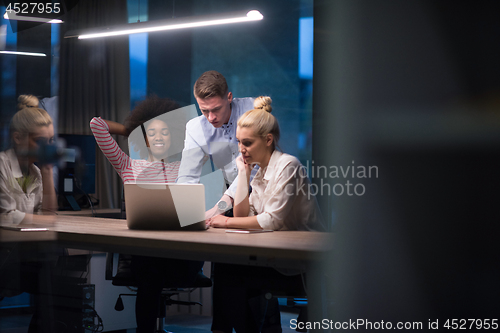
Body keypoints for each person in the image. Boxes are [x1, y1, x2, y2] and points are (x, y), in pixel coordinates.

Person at [206, 97, 324, 333]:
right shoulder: (259, 170)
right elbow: (243, 214)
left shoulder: (288, 165)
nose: (241, 149)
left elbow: (271, 220)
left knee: (230, 272)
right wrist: (243, 174)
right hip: (273, 255)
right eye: (239, 142)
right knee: (226, 267)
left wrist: (225, 221)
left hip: (299, 265)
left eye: (247, 143)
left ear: (268, 140)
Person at [90, 96, 203, 333]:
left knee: (156, 272)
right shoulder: (128, 165)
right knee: (150, 271)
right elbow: (96, 125)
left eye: (165, 132)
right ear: (143, 138)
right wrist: (134, 128)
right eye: (152, 132)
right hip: (148, 251)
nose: (159, 137)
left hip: (181, 251)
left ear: (174, 135)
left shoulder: (186, 166)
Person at [0, 106, 58, 332]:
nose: (48, 148)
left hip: (18, 255)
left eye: (51, 141)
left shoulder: (34, 172)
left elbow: (50, 213)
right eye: (41, 142)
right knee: (50, 274)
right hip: (5, 256)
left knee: (55, 272)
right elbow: (7, 217)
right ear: (17, 138)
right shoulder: (2, 166)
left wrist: (47, 172)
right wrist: (46, 221)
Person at [176, 70, 255, 218]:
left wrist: (219, 208)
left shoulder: (253, 110)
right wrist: (183, 213)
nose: (211, 117)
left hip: (265, 195)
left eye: (216, 109)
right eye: (204, 110)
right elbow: (187, 177)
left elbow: (254, 171)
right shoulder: (195, 128)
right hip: (231, 203)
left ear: (229, 97)